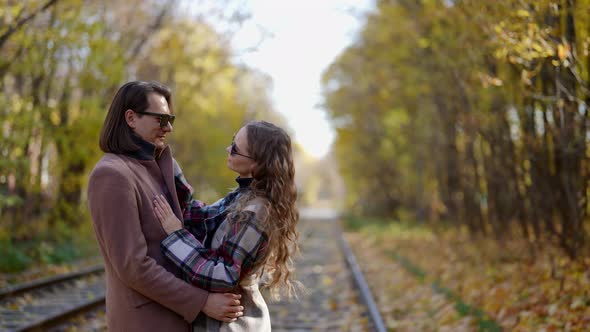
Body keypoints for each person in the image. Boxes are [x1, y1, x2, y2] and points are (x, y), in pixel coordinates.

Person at [87, 81, 243, 332]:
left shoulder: (161, 167)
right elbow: (133, 266)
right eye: (161, 119)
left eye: (170, 119)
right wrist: (201, 301)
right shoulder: (112, 175)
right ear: (131, 118)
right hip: (147, 322)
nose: (168, 127)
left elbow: (196, 221)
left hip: (178, 316)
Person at [152, 120, 300, 331]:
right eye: (232, 142)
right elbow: (200, 217)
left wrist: (176, 234)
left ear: (256, 164)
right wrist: (168, 163)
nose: (228, 149)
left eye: (236, 149)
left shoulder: (256, 211)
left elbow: (224, 276)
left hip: (233, 324)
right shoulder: (243, 197)